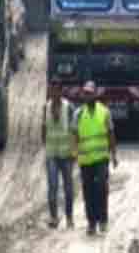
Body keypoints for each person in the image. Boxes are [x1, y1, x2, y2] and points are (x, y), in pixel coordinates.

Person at [72, 81, 118, 236]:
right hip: (85, 160)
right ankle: (91, 222)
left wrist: (114, 155)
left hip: (101, 158)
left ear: (96, 94)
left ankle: (103, 220)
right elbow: (75, 136)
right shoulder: (78, 114)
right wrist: (74, 153)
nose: (88, 96)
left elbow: (111, 133)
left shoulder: (104, 112)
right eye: (86, 93)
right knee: (88, 191)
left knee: (102, 188)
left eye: (90, 93)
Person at [42, 83, 76, 229]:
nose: (54, 93)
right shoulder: (46, 108)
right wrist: (45, 147)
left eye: (57, 91)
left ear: (61, 92)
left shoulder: (69, 108)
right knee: (52, 186)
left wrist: (74, 151)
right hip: (51, 154)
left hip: (66, 154)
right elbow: (43, 128)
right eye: (52, 91)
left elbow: (74, 130)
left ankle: (69, 217)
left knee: (68, 188)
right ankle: (54, 217)